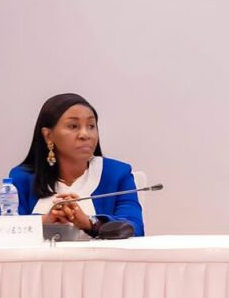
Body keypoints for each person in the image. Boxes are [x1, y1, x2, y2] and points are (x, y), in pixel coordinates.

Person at [9, 93, 145, 237]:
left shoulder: (117, 174)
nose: (85, 134)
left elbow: (134, 229)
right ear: (48, 135)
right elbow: (2, 229)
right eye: (73, 126)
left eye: (91, 126)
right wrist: (46, 220)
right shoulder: (21, 178)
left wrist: (89, 223)